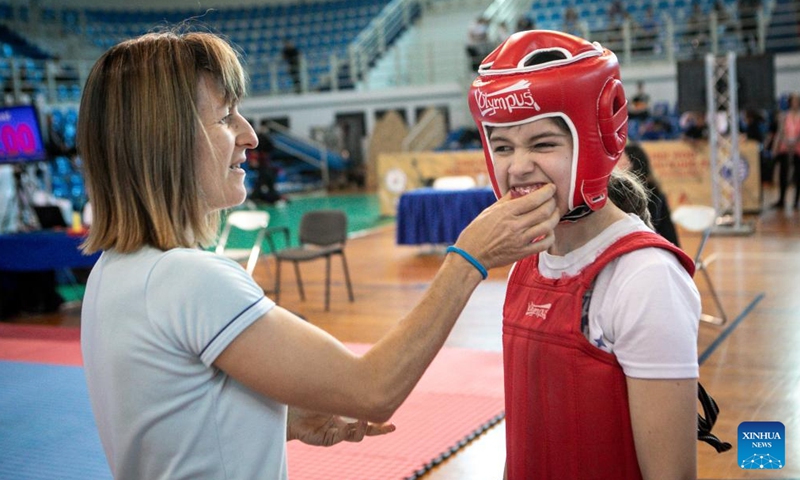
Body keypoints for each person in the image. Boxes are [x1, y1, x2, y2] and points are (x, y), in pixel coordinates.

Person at [76, 28, 560, 479]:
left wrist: (279, 420)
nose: (249, 135)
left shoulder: (112, 273)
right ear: (167, 142)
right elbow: (373, 389)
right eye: (225, 117)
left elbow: (172, 422)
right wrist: (470, 256)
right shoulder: (189, 279)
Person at [468, 30, 701, 478]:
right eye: (502, 146)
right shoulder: (528, 260)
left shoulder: (644, 278)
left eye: (542, 144)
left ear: (596, 143)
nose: (517, 167)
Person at [621, 143, 681, 247]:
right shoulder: (630, 188)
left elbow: (648, 225)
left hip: (655, 246)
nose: (616, 161)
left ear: (632, 162)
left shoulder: (650, 190)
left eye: (621, 157)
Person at [770, 92, 800, 209]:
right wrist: (777, 146)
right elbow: (780, 132)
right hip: (785, 146)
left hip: (798, 147)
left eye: (797, 101)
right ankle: (781, 199)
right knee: (783, 173)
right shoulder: (784, 116)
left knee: (798, 175)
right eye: (793, 101)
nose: (795, 103)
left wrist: (795, 141)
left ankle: (796, 200)